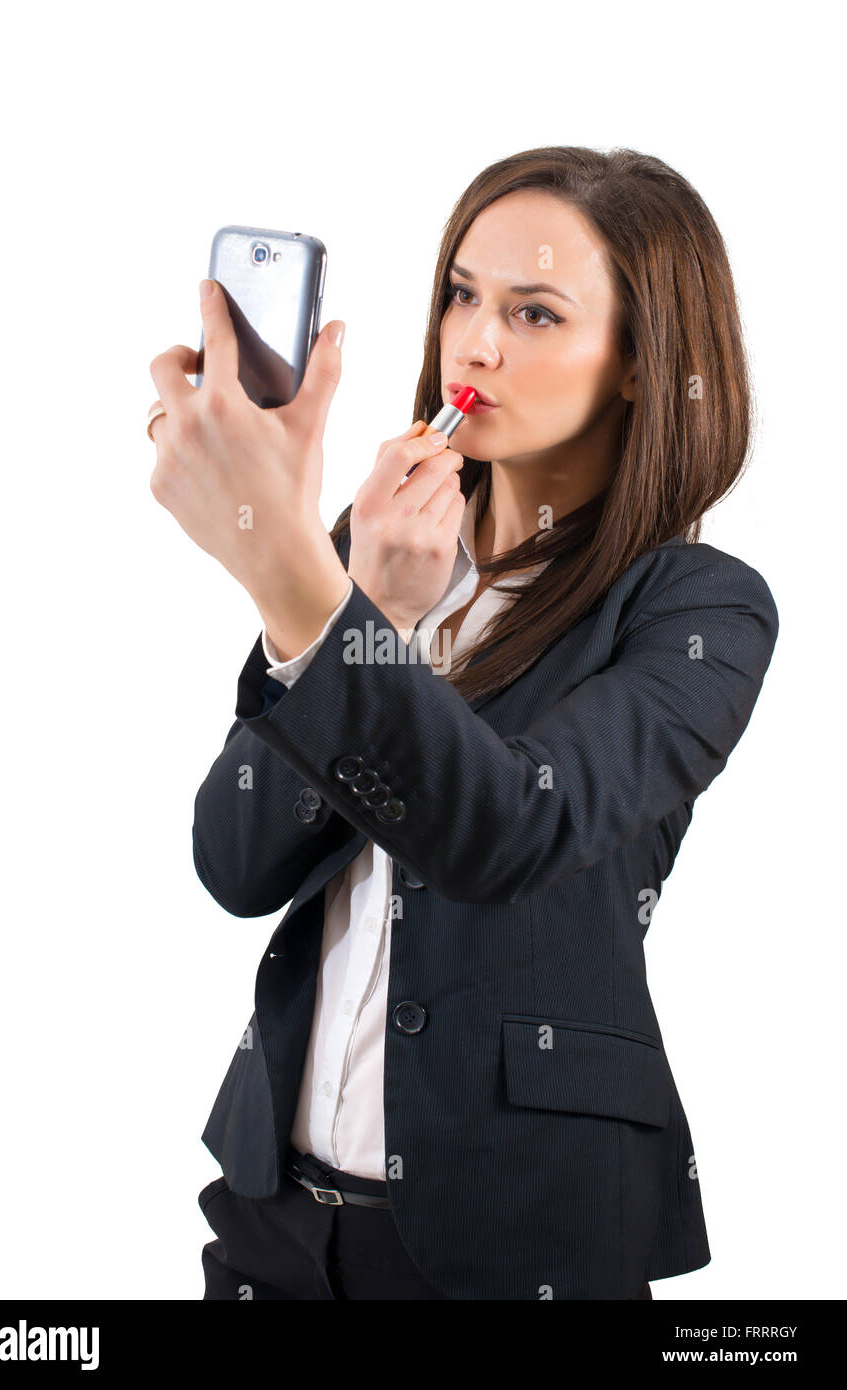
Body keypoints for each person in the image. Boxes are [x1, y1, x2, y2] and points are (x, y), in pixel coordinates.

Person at [148, 145, 779, 1300]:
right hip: (273, 1220)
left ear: (642, 367)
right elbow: (233, 861)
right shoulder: (372, 548)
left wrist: (299, 583)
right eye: (461, 294)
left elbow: (506, 831)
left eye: (534, 312)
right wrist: (366, 598)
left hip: (520, 1236)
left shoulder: (698, 607)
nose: (474, 343)